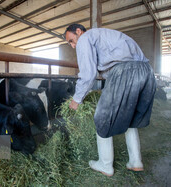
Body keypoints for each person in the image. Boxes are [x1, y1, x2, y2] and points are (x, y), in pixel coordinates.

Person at [64, 24, 156, 177]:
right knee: (130, 118)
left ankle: (105, 164)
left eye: (71, 41)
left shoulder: (85, 38)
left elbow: (88, 74)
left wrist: (76, 99)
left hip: (126, 73)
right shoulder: (104, 36)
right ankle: (135, 161)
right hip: (146, 71)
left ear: (78, 32)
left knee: (102, 117)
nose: (73, 46)